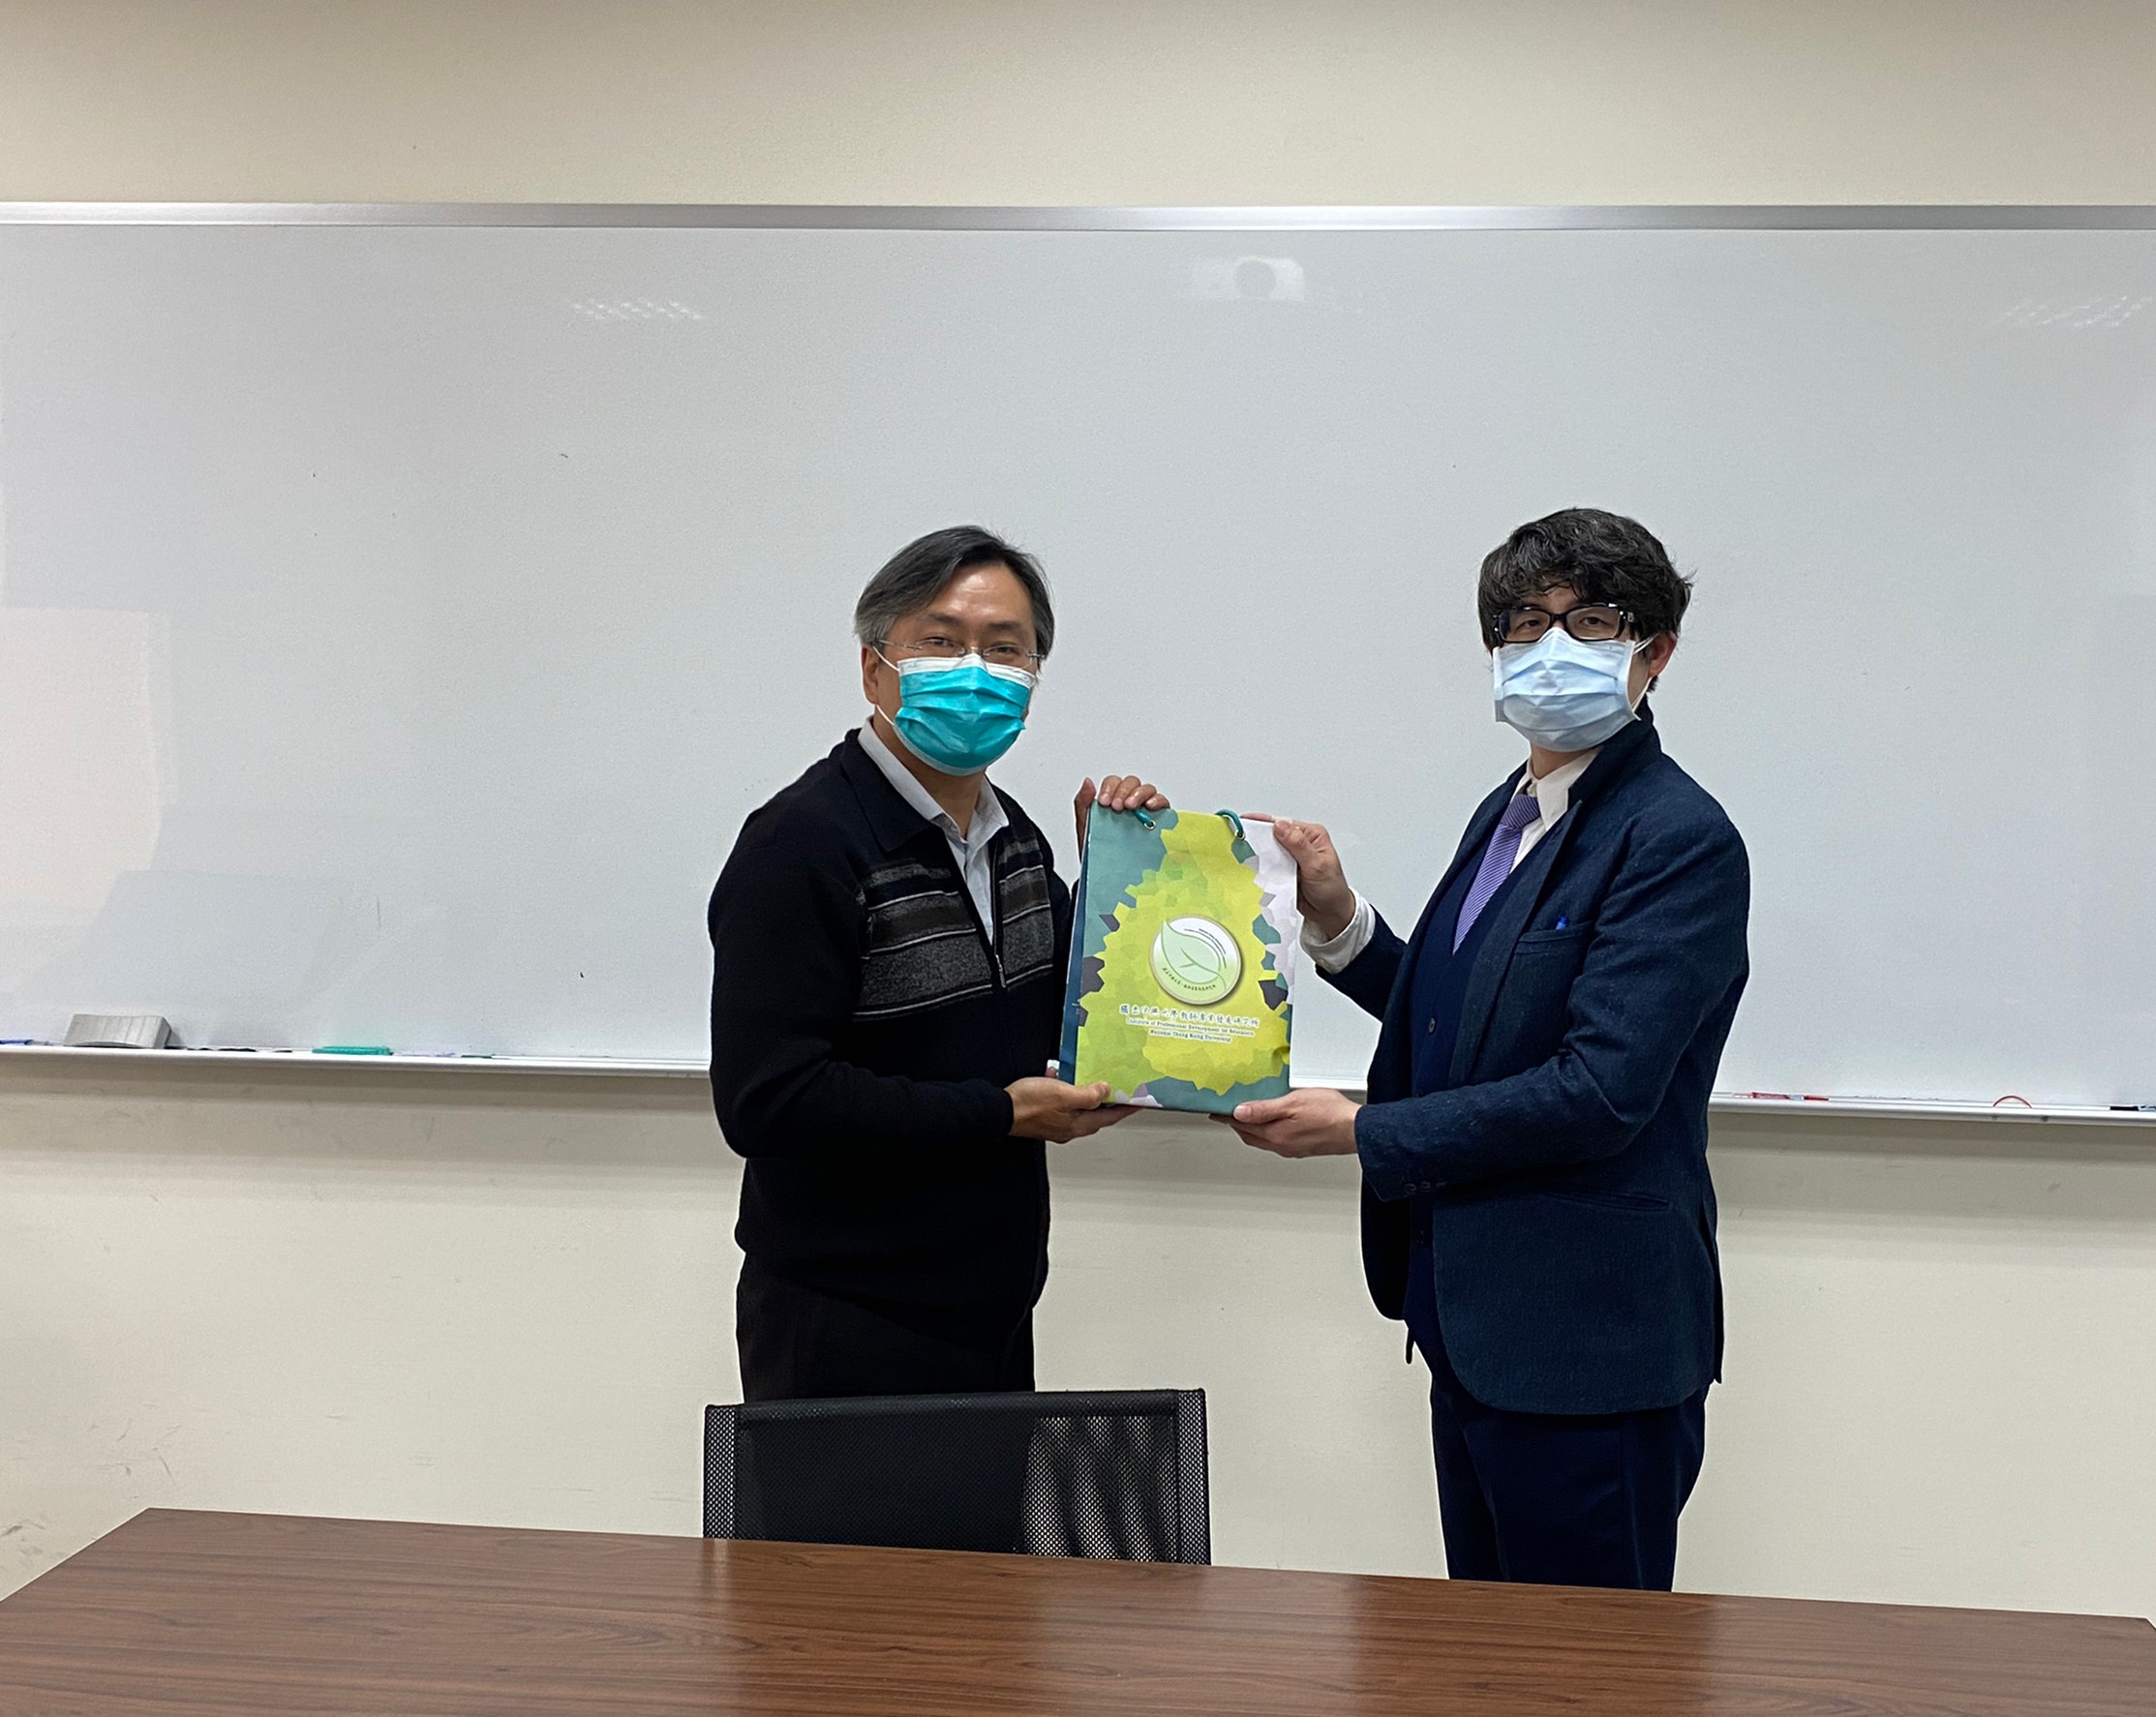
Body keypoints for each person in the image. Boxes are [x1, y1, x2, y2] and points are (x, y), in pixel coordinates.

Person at [1223, 508, 1749, 1590]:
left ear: (1655, 651)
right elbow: (1468, 1022)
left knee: (1587, 1666)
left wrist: (1365, 1132)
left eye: (1590, 621)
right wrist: (1337, 919)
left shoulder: (1675, 836)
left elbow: (1600, 1091)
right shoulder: (1513, 809)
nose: (1550, 646)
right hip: (1471, 1326)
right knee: (1488, 1654)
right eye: (1523, 622)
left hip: (1587, 1349)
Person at [710, 525, 1165, 1401]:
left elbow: (1063, 1019)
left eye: (1006, 649)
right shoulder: (801, 845)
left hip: (992, 1305)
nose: (975, 670)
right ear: (874, 668)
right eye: (941, 642)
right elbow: (769, 1102)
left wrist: (1118, 881)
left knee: (986, 1505)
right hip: (846, 1320)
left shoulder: (1016, 838)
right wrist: (999, 1114)